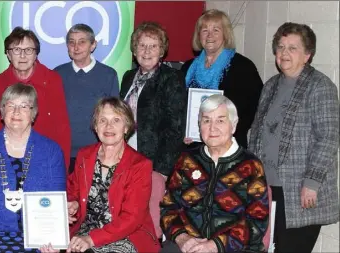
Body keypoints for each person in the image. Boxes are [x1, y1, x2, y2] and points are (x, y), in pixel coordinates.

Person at [248, 23, 339, 253]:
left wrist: (312, 183)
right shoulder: (270, 86)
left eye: (293, 48)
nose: (284, 53)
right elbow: (257, 131)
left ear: (307, 55)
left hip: (300, 191)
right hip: (267, 186)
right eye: (280, 47)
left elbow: (328, 137)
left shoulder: (321, 86)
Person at [161, 95, 269, 253]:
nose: (212, 128)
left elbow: (258, 219)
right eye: (206, 120)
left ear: (233, 125)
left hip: (235, 248)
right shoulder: (186, 160)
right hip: (188, 245)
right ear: (199, 126)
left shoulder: (251, 165)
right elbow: (168, 207)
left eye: (220, 120)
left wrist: (216, 245)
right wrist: (182, 238)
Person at [0, 83, 66, 253]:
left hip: (39, 235)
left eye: (24, 106)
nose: (16, 112)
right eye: (11, 105)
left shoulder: (51, 150)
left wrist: (54, 239)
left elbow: (56, 200)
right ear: (2, 111)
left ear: (33, 113)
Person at [57, 97, 160, 253]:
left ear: (126, 127)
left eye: (116, 120)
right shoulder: (84, 155)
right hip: (86, 229)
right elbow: (73, 190)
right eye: (102, 120)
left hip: (126, 235)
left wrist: (91, 239)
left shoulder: (140, 165)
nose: (108, 126)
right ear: (96, 127)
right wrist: (73, 204)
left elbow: (132, 218)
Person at [120, 22, 186, 239]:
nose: (147, 51)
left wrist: (162, 170)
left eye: (153, 46)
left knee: (150, 222)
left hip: (153, 164)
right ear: (134, 49)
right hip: (126, 159)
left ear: (162, 50)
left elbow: (175, 127)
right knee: (126, 216)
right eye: (142, 45)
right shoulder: (128, 77)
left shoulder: (171, 79)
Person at [0, 27, 72, 169]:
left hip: (45, 158)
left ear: (36, 55)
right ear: (8, 55)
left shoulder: (52, 80)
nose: (22, 56)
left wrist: (62, 166)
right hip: (8, 157)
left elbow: (62, 126)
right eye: (16, 50)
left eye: (28, 50)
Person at [181, 9, 263, 148]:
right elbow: (178, 107)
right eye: (205, 30)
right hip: (193, 147)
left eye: (216, 30)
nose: (210, 35)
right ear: (198, 35)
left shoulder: (243, 67)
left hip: (229, 146)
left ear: (225, 34)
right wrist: (182, 130)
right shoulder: (187, 68)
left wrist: (229, 132)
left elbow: (256, 107)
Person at [54, 24, 119, 173]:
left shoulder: (108, 75)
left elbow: (115, 117)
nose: (76, 47)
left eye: (82, 41)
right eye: (71, 42)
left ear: (93, 45)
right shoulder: (57, 74)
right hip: (63, 152)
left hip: (97, 153)